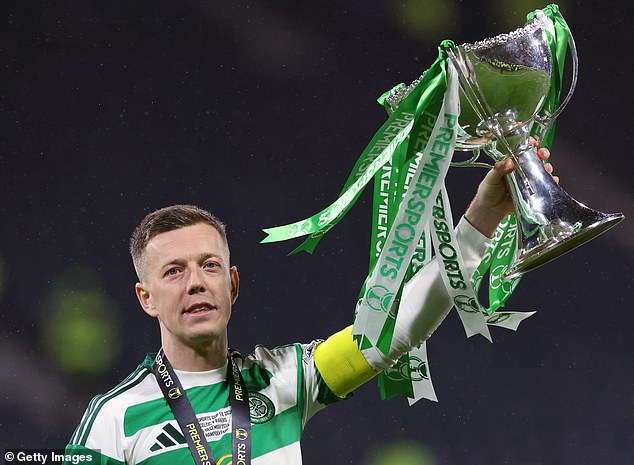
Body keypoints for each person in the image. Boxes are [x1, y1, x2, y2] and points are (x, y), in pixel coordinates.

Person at [64, 148, 555, 464]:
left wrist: (483, 218)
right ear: (145, 298)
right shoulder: (114, 418)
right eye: (174, 272)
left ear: (232, 284)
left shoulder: (284, 378)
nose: (196, 283)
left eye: (209, 266)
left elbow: (395, 332)